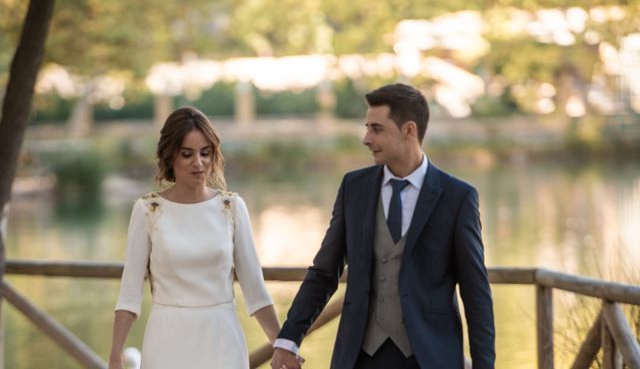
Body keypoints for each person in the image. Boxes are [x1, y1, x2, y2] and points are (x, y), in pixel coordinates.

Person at [271, 83, 495, 369]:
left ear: (408, 130)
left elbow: (476, 294)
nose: (366, 138)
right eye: (367, 127)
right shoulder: (354, 188)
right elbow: (324, 272)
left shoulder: (457, 197)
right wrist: (289, 338)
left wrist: (484, 365)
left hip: (430, 358)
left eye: (376, 129)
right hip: (360, 357)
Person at [109, 106, 280, 369]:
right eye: (187, 154)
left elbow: (255, 289)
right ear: (170, 157)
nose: (198, 163)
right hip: (166, 341)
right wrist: (115, 355)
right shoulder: (148, 211)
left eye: (205, 153)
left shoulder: (232, 208)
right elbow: (129, 293)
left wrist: (282, 346)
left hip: (222, 340)